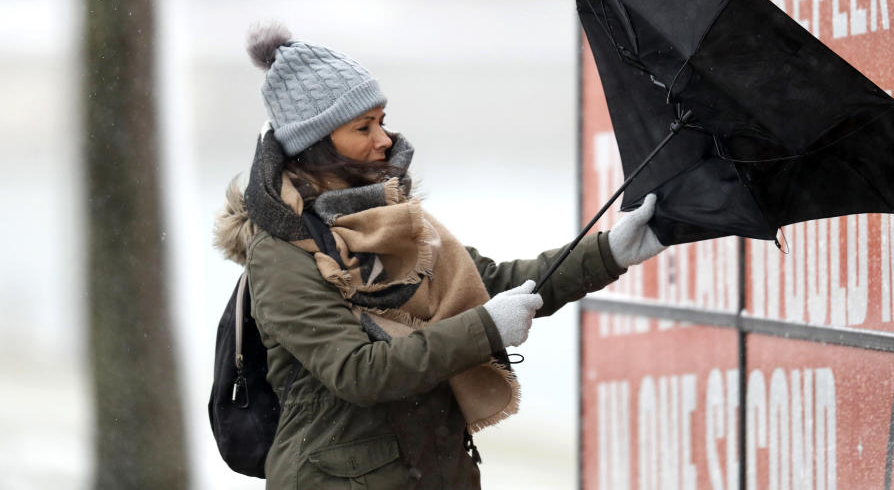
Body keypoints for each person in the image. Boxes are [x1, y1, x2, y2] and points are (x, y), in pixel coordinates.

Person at [213, 24, 665, 489]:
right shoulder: (281, 253)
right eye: (362, 128)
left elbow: (487, 282)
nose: (384, 138)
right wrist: (485, 328)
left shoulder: (389, 219)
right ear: (315, 144)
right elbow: (358, 372)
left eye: (381, 120)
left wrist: (610, 251)